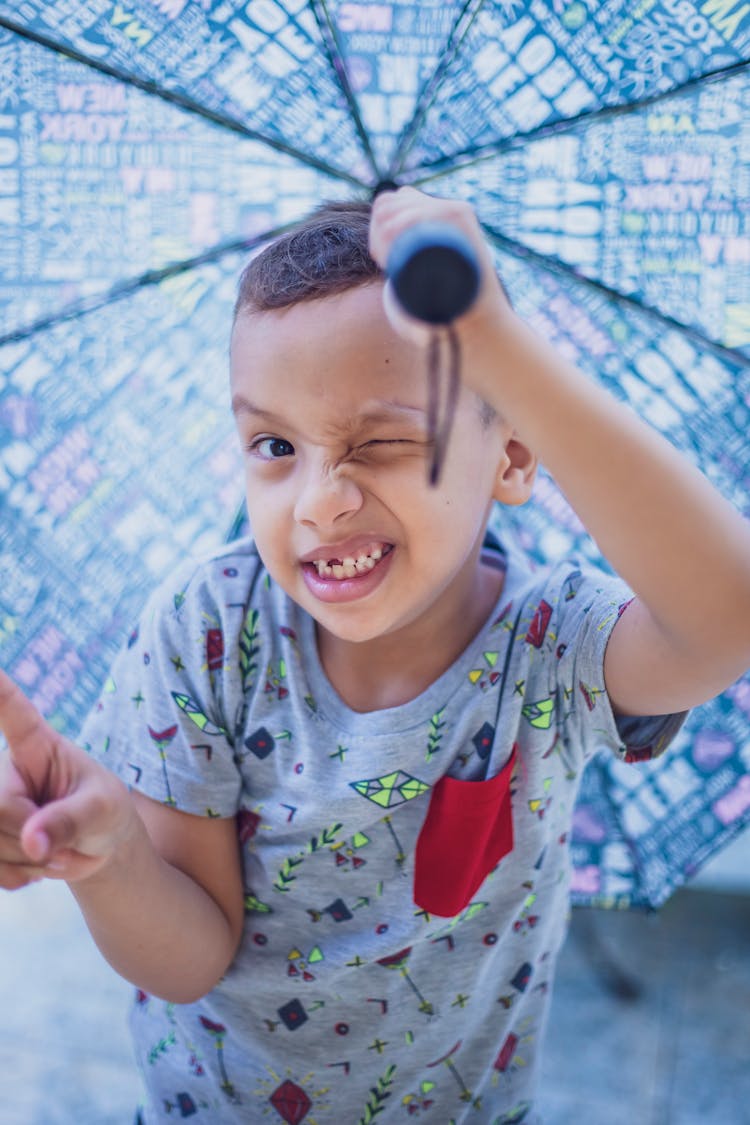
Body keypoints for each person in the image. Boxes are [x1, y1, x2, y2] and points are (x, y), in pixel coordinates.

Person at [1, 187, 749, 1125]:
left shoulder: (548, 645)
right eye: (273, 443)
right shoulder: (206, 632)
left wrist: (497, 343)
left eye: (381, 441)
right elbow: (186, 958)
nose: (318, 501)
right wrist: (109, 856)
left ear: (514, 456)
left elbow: (726, 618)